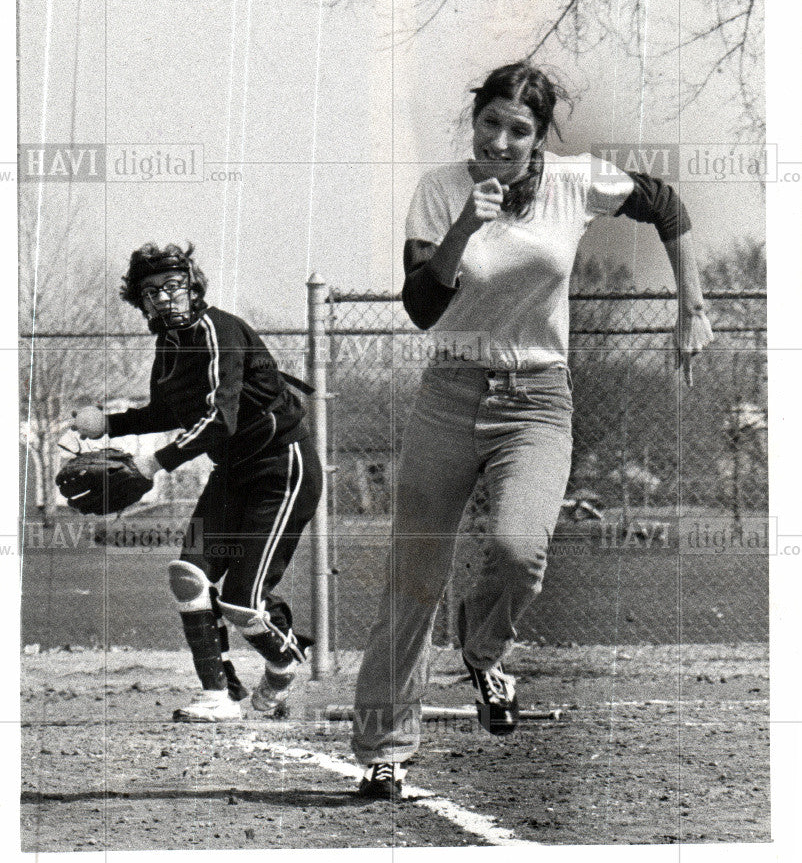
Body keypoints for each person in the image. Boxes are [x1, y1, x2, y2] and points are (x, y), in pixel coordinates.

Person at [352, 62, 714, 798]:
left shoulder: (577, 182)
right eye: (490, 122)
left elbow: (668, 207)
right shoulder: (440, 191)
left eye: (519, 129)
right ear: (475, 121)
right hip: (451, 392)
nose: (501, 140)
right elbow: (423, 307)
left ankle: (483, 653)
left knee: (519, 552)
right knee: (414, 579)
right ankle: (386, 747)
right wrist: (466, 224)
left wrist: (693, 307)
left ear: (538, 136)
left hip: (538, 398)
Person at [71, 243, 322, 722]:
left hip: (280, 467)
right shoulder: (169, 345)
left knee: (241, 604)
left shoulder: (217, 332)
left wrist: (154, 464)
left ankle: (286, 657)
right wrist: (108, 424)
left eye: (172, 286)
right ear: (140, 302)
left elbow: (218, 420)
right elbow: (168, 412)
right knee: (188, 576)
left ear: (192, 286)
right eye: (151, 292)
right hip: (233, 473)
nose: (164, 298)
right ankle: (218, 694)